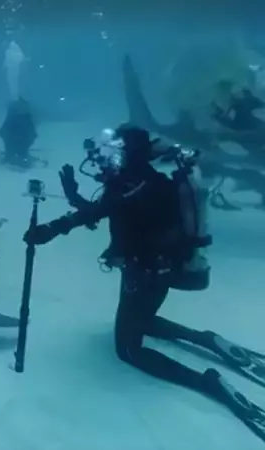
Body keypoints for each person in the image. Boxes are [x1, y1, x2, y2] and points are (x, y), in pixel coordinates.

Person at [23, 124, 260, 415]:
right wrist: (73, 196)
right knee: (143, 320)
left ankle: (207, 383)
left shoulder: (132, 185)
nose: (104, 160)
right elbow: (107, 209)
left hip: (147, 274)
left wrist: (52, 228)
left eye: (112, 152)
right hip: (150, 269)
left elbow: (104, 209)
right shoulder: (142, 180)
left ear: (128, 154)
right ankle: (205, 339)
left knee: (128, 350)